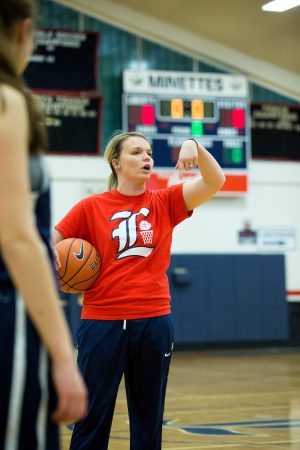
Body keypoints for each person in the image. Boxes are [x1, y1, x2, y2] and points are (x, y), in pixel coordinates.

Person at [53, 131, 226, 450]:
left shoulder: (166, 201)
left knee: (148, 418)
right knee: (91, 416)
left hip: (153, 321)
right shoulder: (90, 207)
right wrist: (64, 273)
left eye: (148, 152)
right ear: (116, 163)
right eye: (136, 152)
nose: (147, 157)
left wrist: (195, 146)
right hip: (102, 322)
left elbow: (216, 181)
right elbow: (51, 244)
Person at [0, 1, 87, 449]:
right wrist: (62, 356)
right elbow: (17, 238)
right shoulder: (6, 98)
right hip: (10, 313)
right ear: (23, 31)